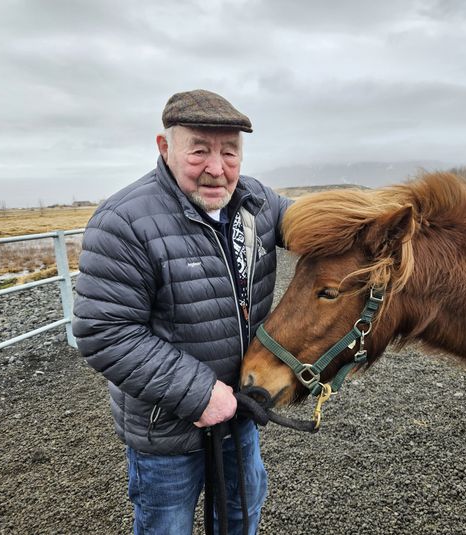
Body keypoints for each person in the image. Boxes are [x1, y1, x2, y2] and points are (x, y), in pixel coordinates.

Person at [73, 89, 291, 534]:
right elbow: (104, 331)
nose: (217, 168)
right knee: (166, 527)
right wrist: (199, 394)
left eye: (230, 152)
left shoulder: (256, 203)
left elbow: (318, 223)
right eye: (199, 151)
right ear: (164, 147)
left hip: (241, 411)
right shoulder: (124, 221)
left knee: (240, 517)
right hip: (166, 428)